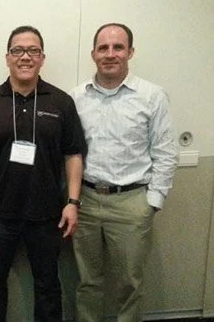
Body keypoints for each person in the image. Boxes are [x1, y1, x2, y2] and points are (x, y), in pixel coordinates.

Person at [0, 25, 86, 322]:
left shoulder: (60, 102)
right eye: (18, 50)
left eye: (33, 51)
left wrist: (72, 202)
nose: (25, 57)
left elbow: (73, 154)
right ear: (7, 57)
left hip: (47, 216)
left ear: (42, 58)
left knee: (48, 285)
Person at [70, 23, 179, 321]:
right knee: (87, 282)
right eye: (103, 48)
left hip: (131, 203)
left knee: (128, 284)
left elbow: (166, 152)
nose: (110, 54)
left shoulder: (152, 96)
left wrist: (151, 202)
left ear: (130, 52)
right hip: (86, 201)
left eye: (118, 47)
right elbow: (70, 154)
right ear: (93, 54)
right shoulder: (77, 98)